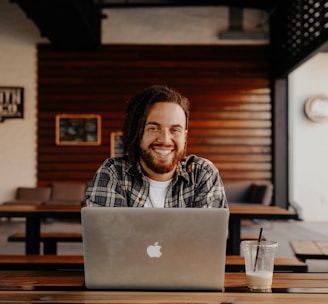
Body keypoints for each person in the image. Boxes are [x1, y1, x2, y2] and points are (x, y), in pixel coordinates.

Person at [85, 85, 228, 208]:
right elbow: (107, 238)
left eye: (175, 129)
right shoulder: (113, 174)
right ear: (137, 132)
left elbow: (207, 239)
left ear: (185, 136)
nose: (165, 139)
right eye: (153, 128)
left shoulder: (203, 174)